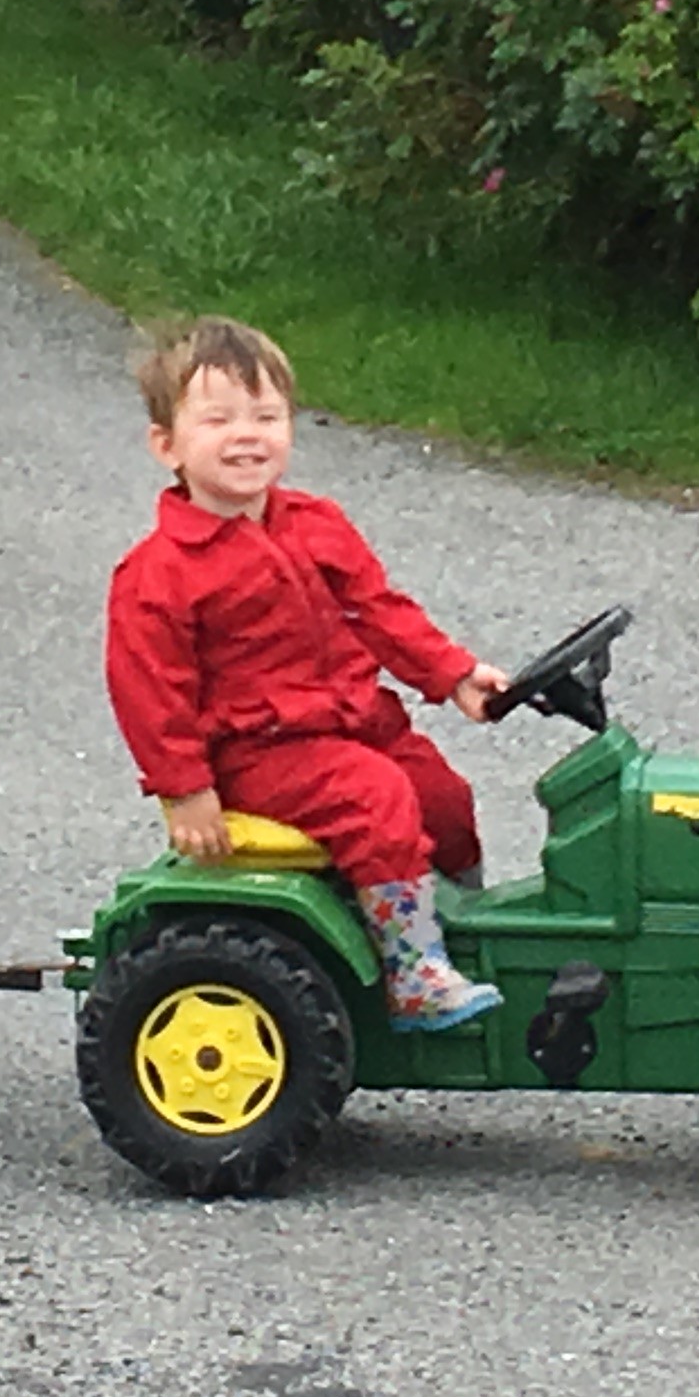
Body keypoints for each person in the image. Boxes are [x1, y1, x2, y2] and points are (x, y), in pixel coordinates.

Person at [103, 316, 512, 1032]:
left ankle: (452, 927)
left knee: (443, 797)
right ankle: (413, 973)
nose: (247, 435)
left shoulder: (316, 524)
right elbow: (148, 688)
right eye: (219, 419)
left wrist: (452, 674)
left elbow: (382, 613)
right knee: (376, 797)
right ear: (167, 445)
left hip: (354, 723)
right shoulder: (160, 572)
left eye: (266, 416)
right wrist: (186, 788)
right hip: (259, 751)